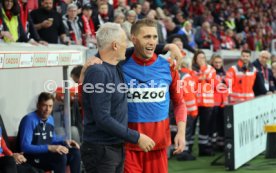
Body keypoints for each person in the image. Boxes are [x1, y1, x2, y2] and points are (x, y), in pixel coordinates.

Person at [81, 22, 156, 173]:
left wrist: (170, 47)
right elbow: (102, 118)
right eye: (124, 42)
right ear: (115, 45)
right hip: (101, 150)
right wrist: (137, 137)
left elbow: (138, 50)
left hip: (112, 148)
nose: (127, 46)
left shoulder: (113, 66)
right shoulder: (99, 72)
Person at [123, 18, 186, 173]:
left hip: (158, 146)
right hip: (128, 146)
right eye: (146, 37)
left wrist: (181, 132)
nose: (151, 42)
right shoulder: (120, 65)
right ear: (134, 39)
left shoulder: (169, 67)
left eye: (154, 37)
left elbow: (179, 103)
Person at [18, 92, 81, 173]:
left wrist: (64, 142)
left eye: (50, 106)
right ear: (38, 105)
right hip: (32, 157)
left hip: (47, 154)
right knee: (60, 156)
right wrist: (50, 148)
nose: (48, 109)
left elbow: (51, 138)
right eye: (44, 105)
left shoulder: (50, 118)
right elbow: (25, 147)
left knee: (75, 152)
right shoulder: (29, 120)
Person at [190, 50, 216, 156]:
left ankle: (203, 149)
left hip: (207, 103)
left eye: (203, 58)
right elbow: (193, 82)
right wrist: (201, 78)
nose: (202, 60)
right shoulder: (191, 69)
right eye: (199, 58)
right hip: (194, 103)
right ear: (195, 59)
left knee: (205, 127)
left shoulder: (210, 69)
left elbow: (211, 81)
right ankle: (188, 149)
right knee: (191, 127)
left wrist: (201, 74)